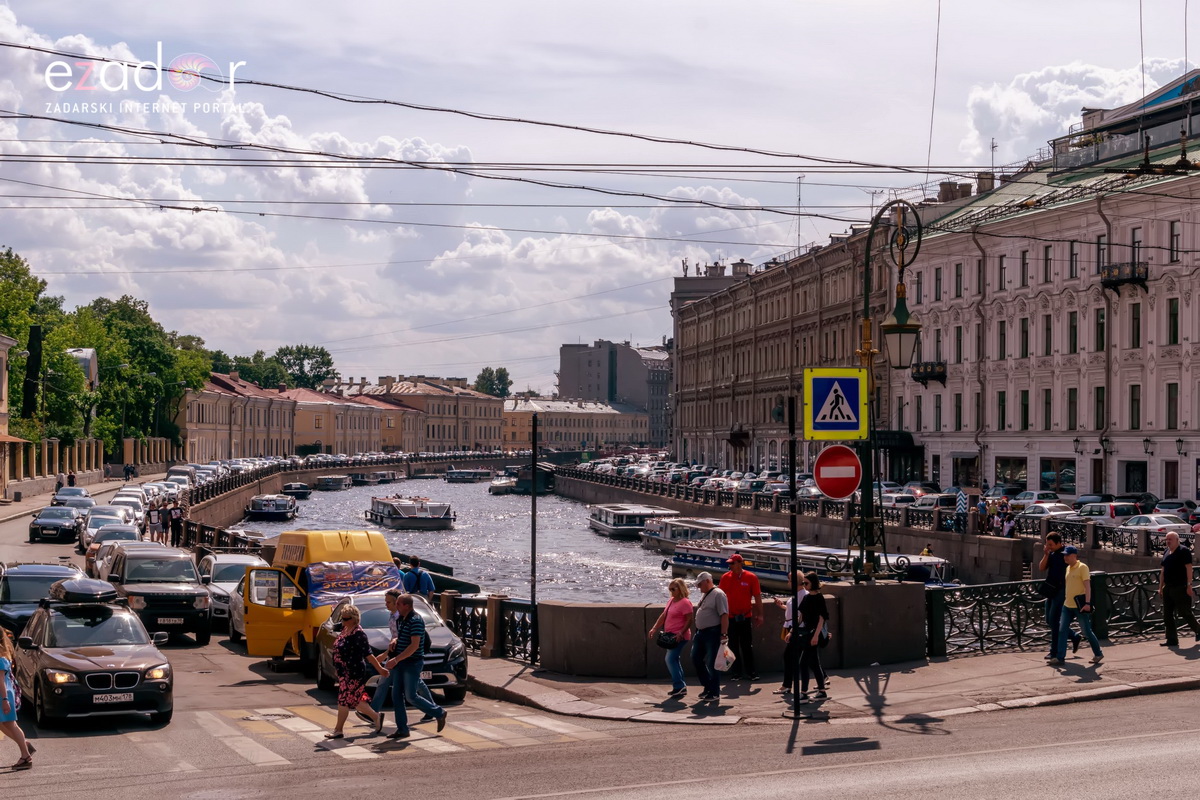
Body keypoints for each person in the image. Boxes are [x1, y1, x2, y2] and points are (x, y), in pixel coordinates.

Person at [381, 593, 447, 739]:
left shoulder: (416, 620)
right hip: (401, 663)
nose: (396, 607)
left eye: (398, 604)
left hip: (412, 663)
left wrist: (396, 660)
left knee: (411, 696)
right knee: (396, 695)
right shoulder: (402, 619)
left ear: (407, 606)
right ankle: (402, 729)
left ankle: (438, 712)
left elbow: (414, 645)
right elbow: (404, 636)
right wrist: (395, 640)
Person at [368, 589, 435, 728]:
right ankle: (430, 710)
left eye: (389, 602)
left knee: (391, 684)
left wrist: (390, 656)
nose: (386, 604)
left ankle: (373, 713)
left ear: (399, 603)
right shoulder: (394, 617)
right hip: (398, 656)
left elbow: (407, 641)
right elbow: (396, 639)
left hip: (404, 657)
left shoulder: (405, 617)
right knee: (405, 686)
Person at [326, 604, 386, 739]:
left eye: (346, 619)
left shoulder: (359, 634)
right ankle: (376, 717)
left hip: (353, 672)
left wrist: (380, 669)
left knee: (343, 700)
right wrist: (337, 668)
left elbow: (369, 655)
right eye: (342, 618)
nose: (343, 621)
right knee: (355, 700)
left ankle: (338, 730)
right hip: (343, 672)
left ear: (354, 619)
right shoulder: (345, 630)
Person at [1050, 546, 1103, 665]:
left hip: (1080, 607)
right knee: (1062, 630)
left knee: (1086, 631)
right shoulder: (1068, 568)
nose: (1065, 557)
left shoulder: (1082, 567)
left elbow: (1087, 587)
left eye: (1067, 555)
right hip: (1067, 605)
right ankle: (1060, 657)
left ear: (1074, 556)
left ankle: (1098, 653)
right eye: (1064, 555)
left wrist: (1088, 603)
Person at [718, 554, 762, 681]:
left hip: (746, 616)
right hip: (730, 617)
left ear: (739, 563)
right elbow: (720, 597)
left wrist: (760, 615)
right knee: (733, 645)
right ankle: (736, 672)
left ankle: (751, 672)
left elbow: (757, 597)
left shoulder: (751, 577)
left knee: (747, 645)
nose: (730, 565)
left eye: (732, 563)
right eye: (729, 563)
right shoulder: (725, 578)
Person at [648, 577, 694, 697]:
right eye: (670, 589)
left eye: (673, 589)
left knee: (669, 659)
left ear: (680, 588)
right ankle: (681, 686)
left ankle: (679, 686)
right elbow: (664, 615)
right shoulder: (671, 601)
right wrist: (654, 628)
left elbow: (689, 620)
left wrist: (681, 633)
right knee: (674, 659)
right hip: (670, 636)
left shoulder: (685, 602)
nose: (671, 591)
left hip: (680, 637)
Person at [1039, 532, 1081, 660]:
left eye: (1051, 545)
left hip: (1061, 591)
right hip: (1051, 590)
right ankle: (1074, 636)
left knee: (1054, 620)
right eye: (1047, 544)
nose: (1049, 546)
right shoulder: (1051, 554)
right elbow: (1041, 568)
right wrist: (1046, 554)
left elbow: (1075, 567)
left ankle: (1054, 651)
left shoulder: (1065, 554)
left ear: (1059, 543)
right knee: (1049, 620)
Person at [690, 572, 728, 702]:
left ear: (707, 581)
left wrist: (723, 634)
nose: (699, 587)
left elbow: (724, 615)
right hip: (701, 633)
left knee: (712, 663)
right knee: (695, 658)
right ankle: (707, 686)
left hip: (712, 632)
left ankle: (714, 692)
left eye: (700, 584)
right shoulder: (705, 593)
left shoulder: (718, 594)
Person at [1158, 531, 1200, 647]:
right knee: (1167, 614)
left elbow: (1189, 569)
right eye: (1167, 539)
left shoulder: (1183, 551)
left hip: (1180, 587)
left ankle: (1198, 630)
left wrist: (1189, 585)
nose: (1168, 541)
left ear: (1177, 540)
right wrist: (1160, 587)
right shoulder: (1166, 551)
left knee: (1184, 612)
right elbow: (1163, 571)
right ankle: (1172, 640)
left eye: (1170, 539)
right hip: (1168, 587)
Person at [0, 631, 34, 770]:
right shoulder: (4, 655)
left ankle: (25, 756)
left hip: (3, 694)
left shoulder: (1, 658)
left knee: (11, 725)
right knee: (4, 724)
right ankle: (24, 745)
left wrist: (4, 700)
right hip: (4, 694)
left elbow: (0, 680)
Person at [794, 572, 830, 701]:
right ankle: (822, 691)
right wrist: (792, 631)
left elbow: (822, 619)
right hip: (807, 632)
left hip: (814, 633)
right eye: (803, 583)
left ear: (813, 583)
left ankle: (803, 693)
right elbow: (801, 616)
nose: (804, 585)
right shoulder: (807, 597)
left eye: (806, 583)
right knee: (814, 663)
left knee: (803, 663)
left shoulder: (819, 598)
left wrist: (816, 636)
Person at [774, 571, 807, 695]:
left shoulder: (803, 595)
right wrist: (781, 606)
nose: (788, 582)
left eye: (789, 580)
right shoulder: (796, 594)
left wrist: (792, 631)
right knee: (799, 657)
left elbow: (800, 615)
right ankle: (822, 680)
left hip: (797, 629)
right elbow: (792, 610)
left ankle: (787, 685)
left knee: (790, 657)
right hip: (792, 627)